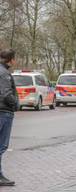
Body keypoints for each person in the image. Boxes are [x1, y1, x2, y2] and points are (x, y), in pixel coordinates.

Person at [0, 49, 18, 186]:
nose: (15, 61)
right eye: (14, 58)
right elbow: (7, 94)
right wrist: (16, 104)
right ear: (10, 59)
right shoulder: (4, 73)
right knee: (2, 145)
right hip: (4, 112)